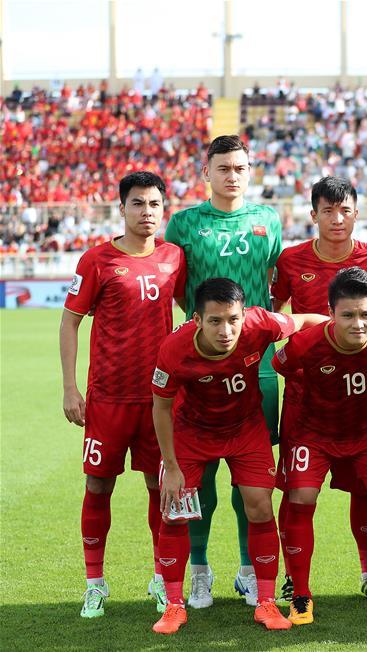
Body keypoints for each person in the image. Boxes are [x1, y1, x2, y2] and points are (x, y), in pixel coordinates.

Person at [150, 278, 315, 634]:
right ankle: (174, 606)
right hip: (192, 434)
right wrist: (173, 467)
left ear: (244, 316)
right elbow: (161, 409)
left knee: (259, 505)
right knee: (176, 512)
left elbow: (304, 321)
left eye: (233, 320)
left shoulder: (260, 324)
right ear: (196, 319)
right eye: (215, 321)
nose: (226, 330)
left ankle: (266, 602)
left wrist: (348, 333)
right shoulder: (174, 349)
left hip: (245, 429)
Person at [271, 267, 367, 625]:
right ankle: (300, 595)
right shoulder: (306, 344)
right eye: (348, 315)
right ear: (330, 312)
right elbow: (279, 365)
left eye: (366, 315)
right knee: (300, 500)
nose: (358, 323)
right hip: (314, 432)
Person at [164, 134, 282, 608]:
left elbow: (277, 285)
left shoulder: (267, 220)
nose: (232, 175)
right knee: (200, 477)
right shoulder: (185, 223)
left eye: (240, 168)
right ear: (206, 172)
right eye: (223, 168)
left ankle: (248, 569)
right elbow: (177, 287)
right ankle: (199, 569)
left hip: (260, 363)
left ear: (249, 171)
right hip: (202, 358)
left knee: (251, 478)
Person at [61, 172, 186, 618]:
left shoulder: (174, 257)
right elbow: (70, 322)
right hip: (108, 398)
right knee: (98, 485)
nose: (146, 212)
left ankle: (161, 578)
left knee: (162, 488)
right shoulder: (97, 260)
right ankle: (95, 583)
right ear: (122, 209)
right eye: (138, 204)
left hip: (159, 399)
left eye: (154, 204)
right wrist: (70, 387)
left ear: (163, 209)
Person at [270, 176, 367, 603]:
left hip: (361, 398)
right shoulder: (291, 260)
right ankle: (292, 577)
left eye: (345, 211)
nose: (337, 219)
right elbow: (278, 317)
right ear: (314, 215)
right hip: (306, 397)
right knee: (296, 491)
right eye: (328, 211)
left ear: (357, 213)